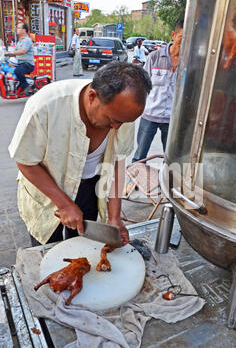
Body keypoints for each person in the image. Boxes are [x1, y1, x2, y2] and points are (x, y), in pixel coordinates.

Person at [8, 62, 152, 247]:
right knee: (48, 251)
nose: (117, 128)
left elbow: (117, 163)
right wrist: (64, 204)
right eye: (112, 120)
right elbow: (25, 162)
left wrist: (115, 217)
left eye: (124, 122)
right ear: (92, 96)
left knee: (83, 246)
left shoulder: (122, 115)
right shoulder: (45, 106)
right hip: (45, 190)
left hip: (89, 187)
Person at [130, 20, 184, 165]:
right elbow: (143, 85)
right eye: (182, 37)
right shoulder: (155, 57)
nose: (185, 42)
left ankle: (167, 183)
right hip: (150, 115)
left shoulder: (189, 62)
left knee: (171, 157)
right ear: (173, 35)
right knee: (140, 154)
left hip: (172, 119)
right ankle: (133, 181)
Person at [5, 22, 35, 96]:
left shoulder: (26, 40)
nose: (16, 29)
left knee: (17, 71)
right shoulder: (20, 41)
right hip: (20, 63)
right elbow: (16, 53)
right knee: (8, 70)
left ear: (24, 30)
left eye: (18, 28)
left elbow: (23, 51)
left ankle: (26, 86)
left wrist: (11, 52)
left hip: (27, 64)